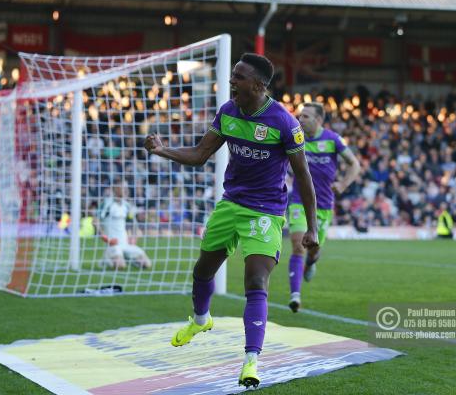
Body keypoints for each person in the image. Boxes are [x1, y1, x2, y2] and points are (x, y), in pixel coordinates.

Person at [144, 53, 319, 388]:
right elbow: (199, 154)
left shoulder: (284, 123)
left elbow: (304, 177)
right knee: (202, 271)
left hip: (266, 212)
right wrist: (163, 150)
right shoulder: (227, 111)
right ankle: (200, 320)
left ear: (258, 85)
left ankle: (251, 362)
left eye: (238, 77)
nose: (231, 82)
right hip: (231, 205)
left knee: (255, 281)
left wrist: (311, 226)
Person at [286, 102, 360, 312]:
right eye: (300, 116)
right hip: (300, 201)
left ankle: (311, 262)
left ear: (319, 120)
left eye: (306, 117)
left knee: (313, 248)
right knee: (298, 244)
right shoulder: (295, 138)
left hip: (324, 204)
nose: (301, 120)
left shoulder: (332, 139)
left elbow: (354, 164)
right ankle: (295, 295)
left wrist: (343, 184)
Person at [94, 184, 152, 270]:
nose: (126, 190)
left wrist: (134, 236)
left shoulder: (127, 205)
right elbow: (95, 221)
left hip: (125, 244)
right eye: (122, 188)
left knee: (146, 264)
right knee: (121, 266)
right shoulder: (106, 204)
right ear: (115, 189)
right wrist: (103, 235)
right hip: (113, 244)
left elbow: (134, 223)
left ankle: (125, 257)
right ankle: (106, 259)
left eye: (126, 188)